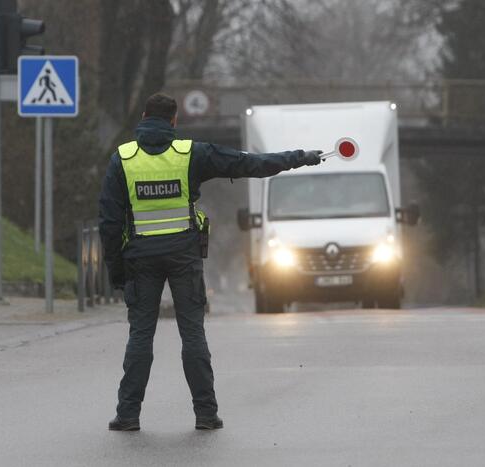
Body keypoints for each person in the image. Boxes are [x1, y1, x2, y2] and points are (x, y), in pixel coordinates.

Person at [99, 93, 323, 431]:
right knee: (193, 334)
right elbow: (249, 163)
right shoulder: (192, 154)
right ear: (174, 121)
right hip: (183, 257)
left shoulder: (122, 160)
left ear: (144, 116)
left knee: (141, 336)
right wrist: (299, 158)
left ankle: (128, 414)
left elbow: (110, 223)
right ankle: (205, 413)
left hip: (141, 260)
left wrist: (116, 271)